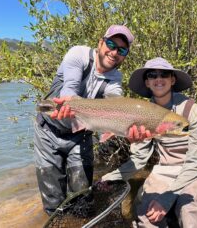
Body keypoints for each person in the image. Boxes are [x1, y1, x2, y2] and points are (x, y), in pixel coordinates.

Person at [100, 57, 197, 228]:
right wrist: (110, 178)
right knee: (146, 214)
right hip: (165, 170)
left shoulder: (192, 110)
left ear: (172, 79)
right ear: (147, 82)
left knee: (189, 209)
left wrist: (168, 197)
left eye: (164, 74)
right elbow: (140, 158)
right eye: (152, 75)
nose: (158, 79)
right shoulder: (144, 112)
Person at [34, 25, 136, 215]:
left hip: (80, 137)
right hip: (48, 132)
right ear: (100, 42)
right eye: (111, 44)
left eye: (121, 50)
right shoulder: (78, 54)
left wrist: (129, 129)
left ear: (125, 55)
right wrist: (68, 103)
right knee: (53, 201)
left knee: (82, 198)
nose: (114, 52)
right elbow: (70, 87)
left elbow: (116, 104)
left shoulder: (115, 78)